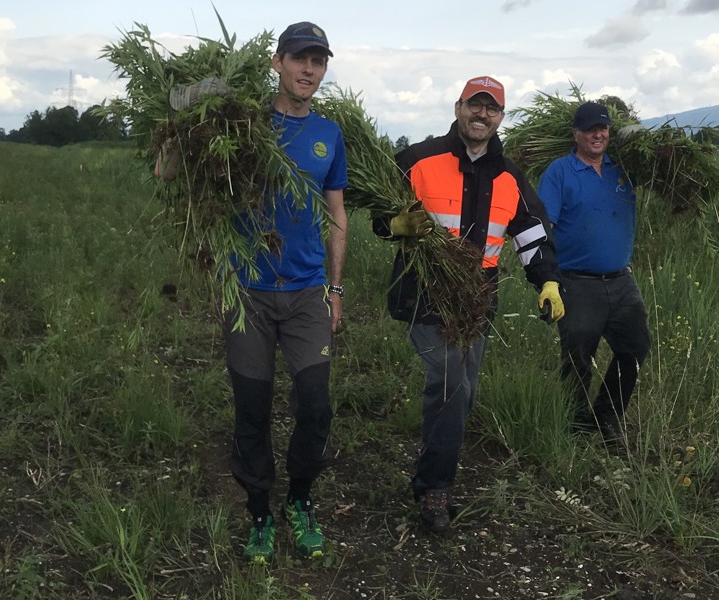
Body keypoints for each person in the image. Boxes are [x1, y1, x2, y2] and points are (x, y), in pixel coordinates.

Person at [158, 21, 347, 564]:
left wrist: (335, 287)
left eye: (318, 61)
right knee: (252, 408)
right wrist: (182, 117)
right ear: (276, 62)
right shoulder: (241, 123)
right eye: (299, 58)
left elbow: (336, 215)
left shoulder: (329, 134)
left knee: (315, 406)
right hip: (248, 292)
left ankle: (301, 500)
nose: (309, 69)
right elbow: (167, 173)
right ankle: (260, 512)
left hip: (308, 293)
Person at [374, 76, 563, 533]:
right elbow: (378, 214)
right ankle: (436, 489)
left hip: (478, 300)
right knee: (451, 384)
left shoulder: (510, 176)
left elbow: (531, 234)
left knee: (463, 392)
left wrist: (548, 282)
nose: (482, 114)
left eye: (491, 108)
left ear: (500, 117)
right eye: (474, 105)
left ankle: (428, 473)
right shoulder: (417, 159)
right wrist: (396, 225)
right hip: (423, 291)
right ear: (458, 107)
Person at [536, 101, 652, 447]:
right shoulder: (560, 172)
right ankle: (575, 425)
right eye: (590, 130)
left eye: (603, 129)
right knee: (577, 358)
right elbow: (543, 226)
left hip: (621, 280)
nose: (597, 135)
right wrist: (547, 277)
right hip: (576, 282)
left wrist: (649, 141)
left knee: (636, 347)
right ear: (576, 134)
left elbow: (662, 167)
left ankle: (607, 417)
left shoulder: (624, 169)